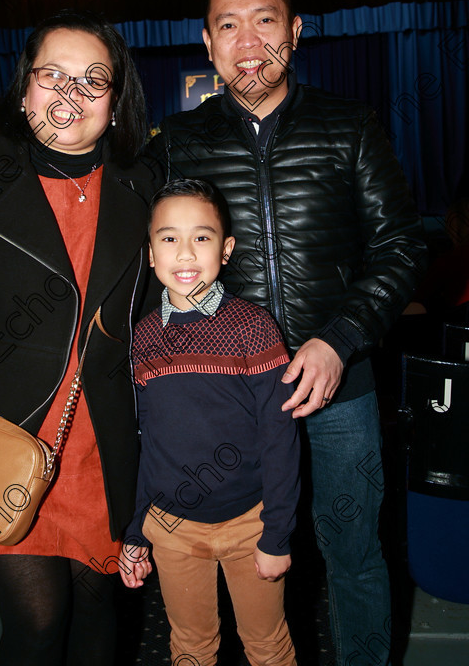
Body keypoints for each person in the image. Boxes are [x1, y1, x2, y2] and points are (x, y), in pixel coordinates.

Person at [140, 0, 428, 666]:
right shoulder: (178, 143)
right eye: (227, 26)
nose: (247, 42)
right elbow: (109, 216)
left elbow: (400, 248)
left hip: (340, 392)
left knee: (354, 555)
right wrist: (7, 161)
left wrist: (340, 339)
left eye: (264, 21)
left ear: (294, 32)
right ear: (206, 44)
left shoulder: (350, 126)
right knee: (247, 567)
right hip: (225, 400)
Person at [0, 9, 160, 666]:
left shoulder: (143, 185)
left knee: (100, 618)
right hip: (8, 432)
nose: (69, 95)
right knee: (37, 627)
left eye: (92, 81)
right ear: (25, 91)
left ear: (115, 101)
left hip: (102, 441)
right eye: (53, 75)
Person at [120, 178, 300, 666]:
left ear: (226, 250)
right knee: (191, 648)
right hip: (172, 528)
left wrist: (276, 534)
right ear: (151, 253)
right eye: (168, 238)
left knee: (267, 646)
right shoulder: (142, 338)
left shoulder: (253, 326)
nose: (184, 253)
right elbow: (148, 444)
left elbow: (281, 437)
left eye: (201, 237)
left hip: (250, 524)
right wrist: (138, 530)